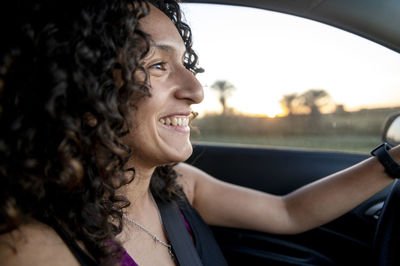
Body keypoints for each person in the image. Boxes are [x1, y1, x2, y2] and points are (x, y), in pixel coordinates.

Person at [0, 0, 399, 265]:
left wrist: (393, 160)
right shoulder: (32, 249)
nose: (195, 90)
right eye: (157, 65)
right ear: (82, 91)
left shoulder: (176, 187)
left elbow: (289, 212)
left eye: (185, 63)